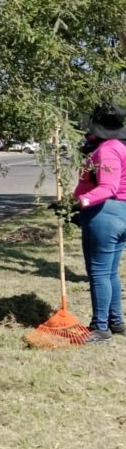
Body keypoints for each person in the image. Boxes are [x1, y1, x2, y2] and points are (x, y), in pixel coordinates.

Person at [72, 103, 126, 344]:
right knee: (110, 272)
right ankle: (116, 322)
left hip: (105, 214)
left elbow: (108, 187)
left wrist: (79, 202)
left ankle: (100, 328)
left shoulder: (108, 150)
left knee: (99, 273)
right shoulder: (120, 146)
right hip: (120, 213)